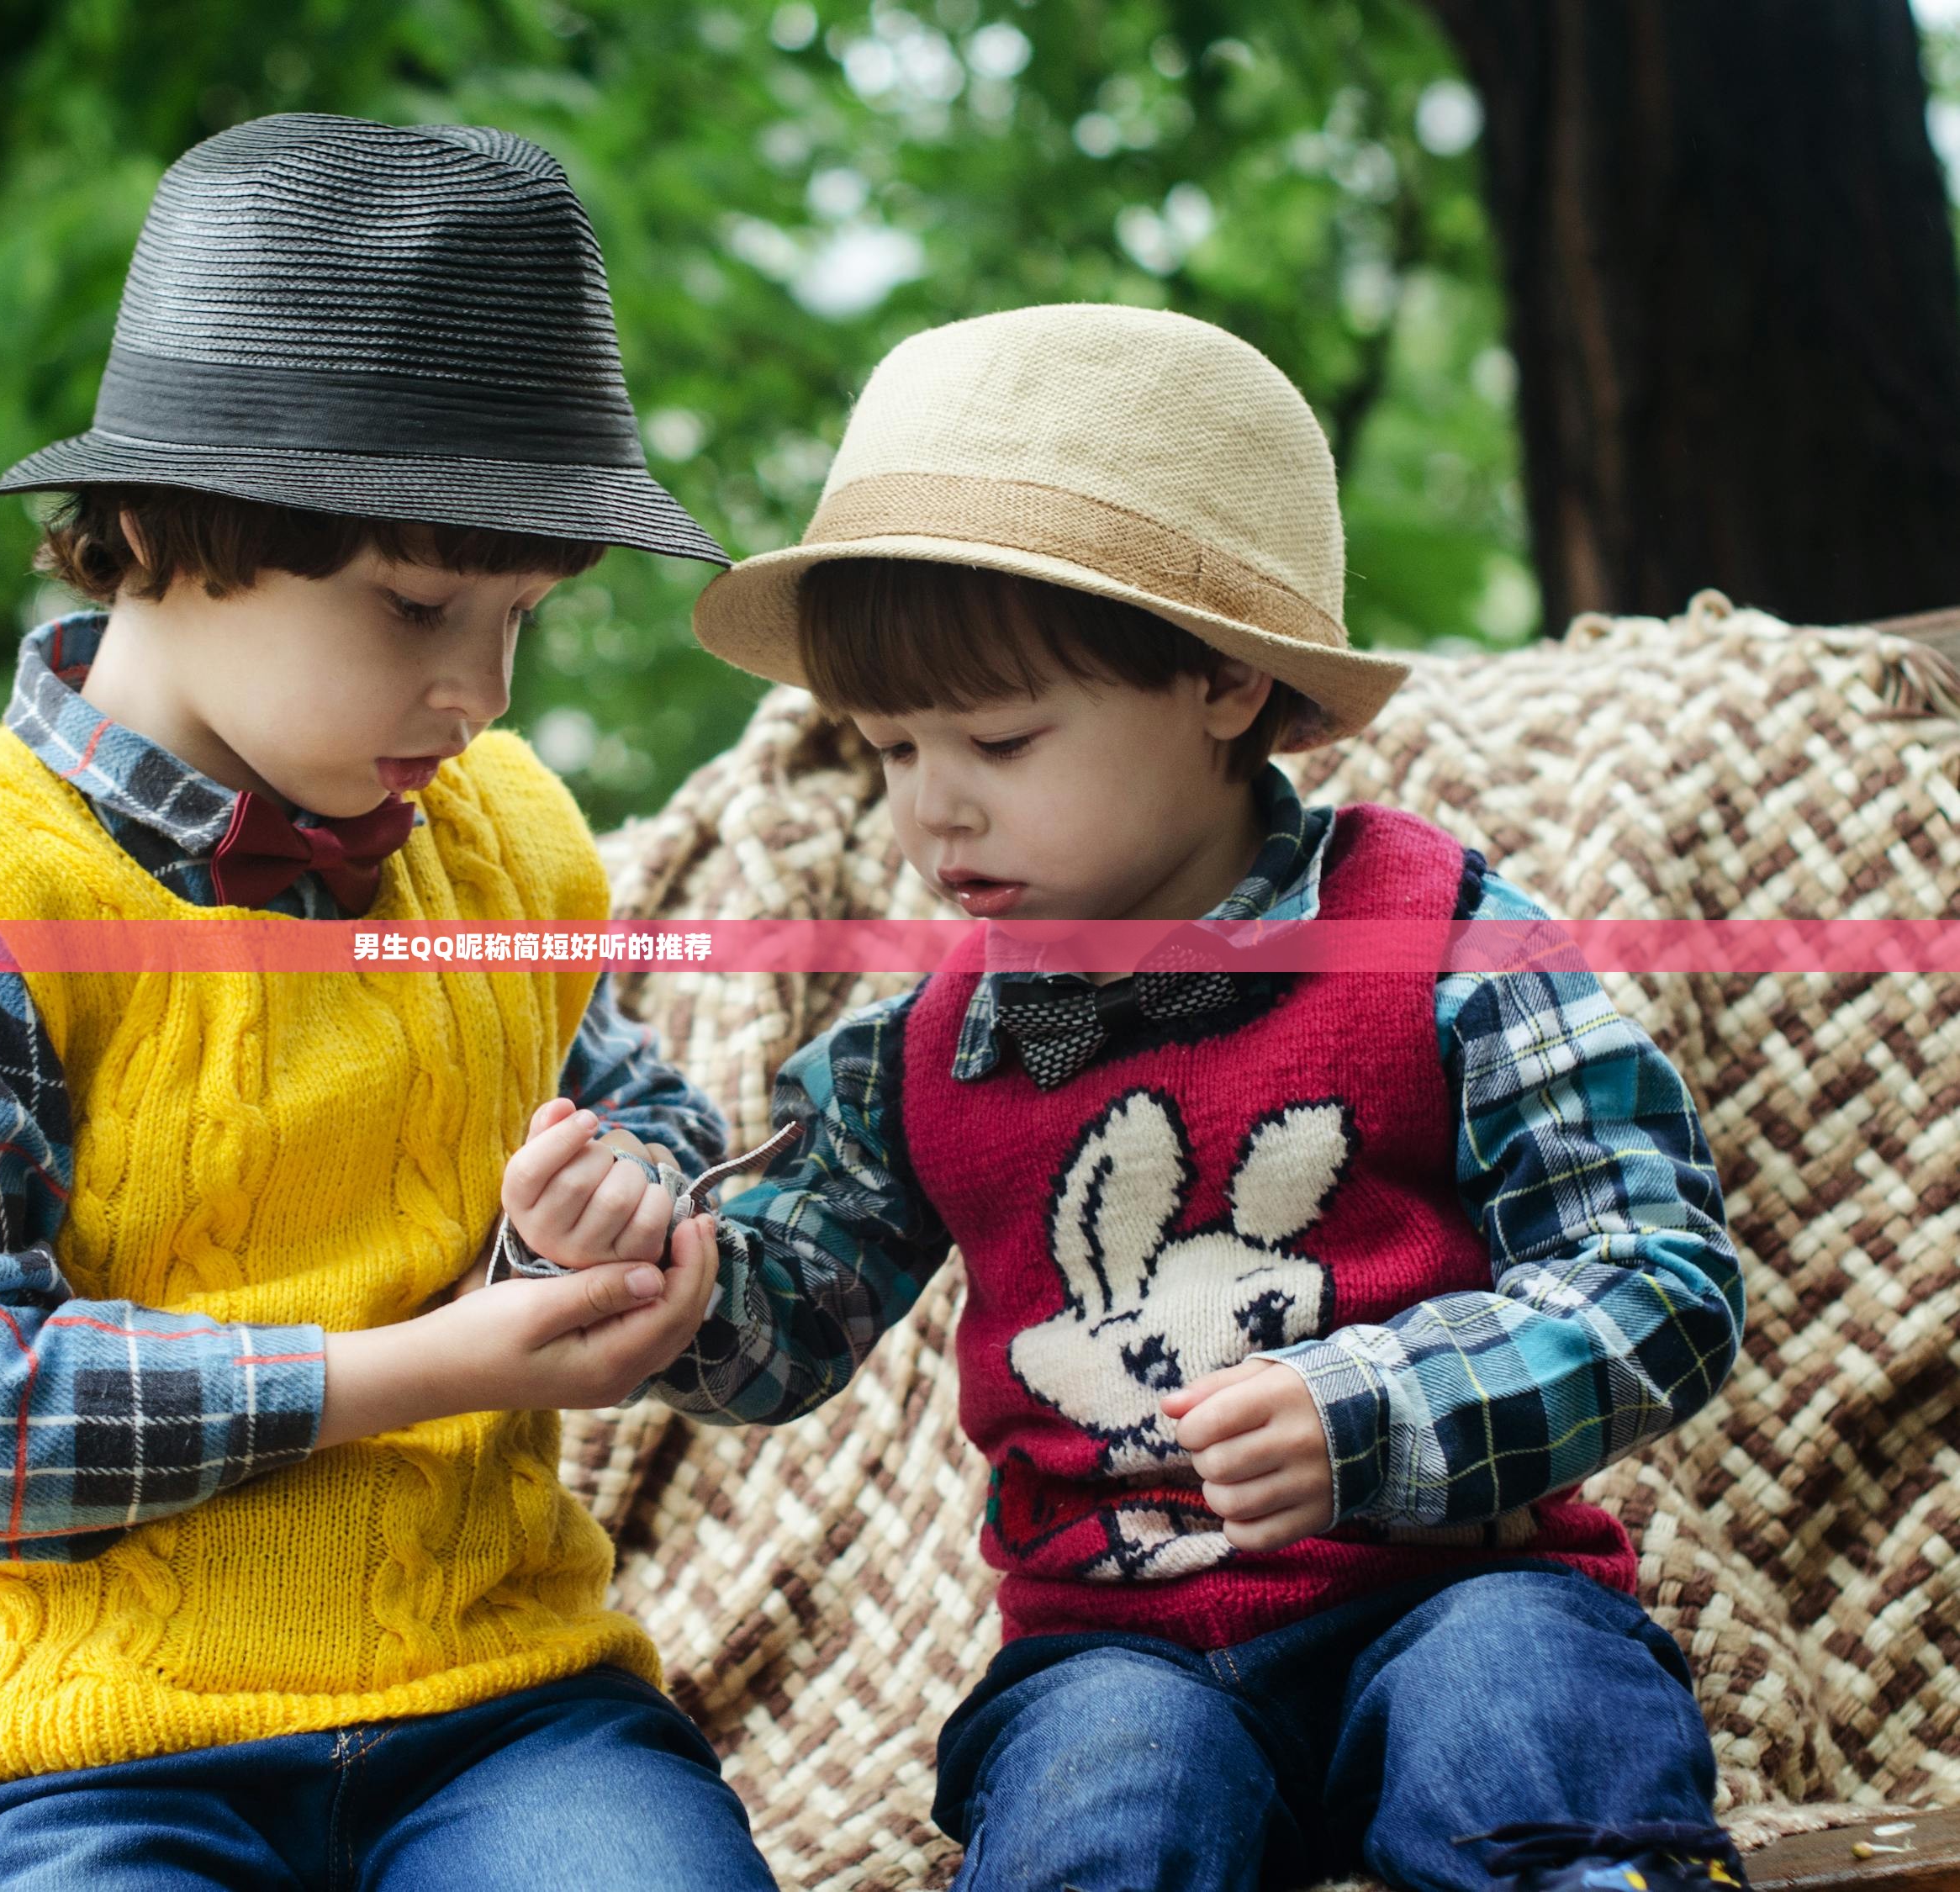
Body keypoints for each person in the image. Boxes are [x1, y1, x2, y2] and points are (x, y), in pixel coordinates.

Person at [499, 304, 1749, 1892]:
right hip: (1118, 1647)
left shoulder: (1437, 935)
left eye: (1001, 737)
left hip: (1455, 1586)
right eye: (886, 747)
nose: (929, 806)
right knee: (1102, 1798)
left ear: (1225, 685)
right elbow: (776, 1325)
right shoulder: (925, 1050)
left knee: (1520, 1724)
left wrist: (1371, 1410)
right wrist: (635, 1256)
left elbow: (1660, 1277)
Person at [0, 113, 779, 1892]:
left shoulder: (494, 840)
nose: (477, 691)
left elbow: (633, 1106)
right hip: (100, 1761)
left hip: (507, 1713)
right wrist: (414, 1369)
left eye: (523, 618)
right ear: (153, 530)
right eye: (419, 602)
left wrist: (596, 1220)